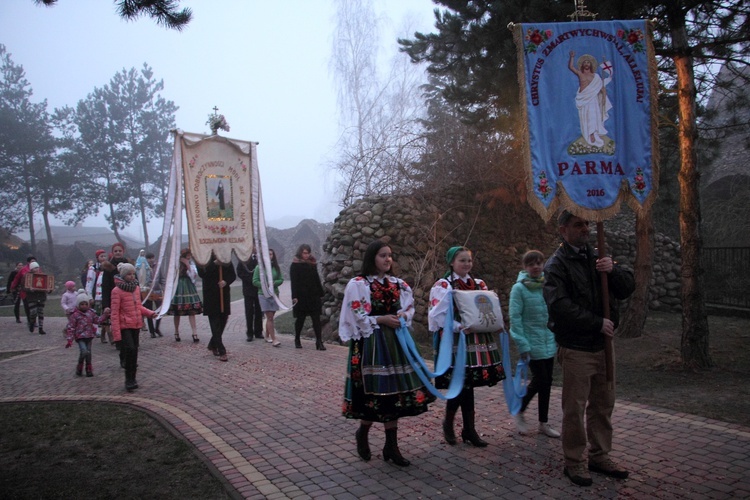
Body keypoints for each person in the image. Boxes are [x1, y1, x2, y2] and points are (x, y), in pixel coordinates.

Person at [544, 210, 635, 487]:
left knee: (603, 404)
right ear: (563, 230)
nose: (585, 229)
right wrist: (596, 323)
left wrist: (613, 270)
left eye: (586, 224)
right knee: (575, 407)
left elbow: (626, 287)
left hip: (603, 347)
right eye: (578, 224)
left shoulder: (597, 256)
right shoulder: (556, 265)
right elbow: (559, 306)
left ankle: (600, 455)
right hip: (577, 347)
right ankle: (574, 461)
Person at [339, 239, 436, 467]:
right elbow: (356, 315)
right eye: (383, 255)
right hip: (371, 344)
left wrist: (402, 316)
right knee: (373, 393)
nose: (388, 259)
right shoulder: (358, 284)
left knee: (395, 393)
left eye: (390, 255)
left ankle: (391, 446)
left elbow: (408, 308)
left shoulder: (398, 284)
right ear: (372, 257)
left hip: (395, 342)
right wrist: (381, 319)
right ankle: (363, 432)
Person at [427, 246, 504, 448]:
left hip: (475, 341)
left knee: (467, 384)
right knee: (460, 384)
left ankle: (464, 428)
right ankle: (457, 426)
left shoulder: (478, 283)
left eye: (469, 260)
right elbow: (438, 316)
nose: (466, 264)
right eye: (462, 260)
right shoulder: (443, 285)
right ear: (452, 262)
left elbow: (483, 309)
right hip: (454, 341)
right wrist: (458, 327)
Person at [509, 250, 560, 438]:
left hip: (548, 340)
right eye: (531, 264)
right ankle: (520, 410)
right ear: (525, 267)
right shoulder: (519, 289)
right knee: (541, 379)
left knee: (547, 383)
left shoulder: (547, 285)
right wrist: (522, 344)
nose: (536, 267)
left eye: (539, 263)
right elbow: (515, 318)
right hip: (531, 342)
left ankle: (543, 423)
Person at [111, 263, 157, 391]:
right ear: (123, 275)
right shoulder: (116, 291)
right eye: (128, 274)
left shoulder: (135, 289)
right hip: (124, 325)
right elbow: (114, 313)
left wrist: (150, 313)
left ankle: (132, 378)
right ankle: (128, 378)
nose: (131, 277)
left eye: (133, 274)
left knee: (134, 351)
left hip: (136, 324)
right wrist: (117, 335)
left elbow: (138, 306)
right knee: (130, 349)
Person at [568, 51, 612, 148]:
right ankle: (588, 133)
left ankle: (593, 133)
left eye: (588, 62)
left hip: (593, 99)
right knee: (585, 117)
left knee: (593, 116)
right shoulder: (580, 74)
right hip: (583, 98)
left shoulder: (596, 76)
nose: (587, 64)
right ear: (582, 65)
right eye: (585, 62)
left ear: (591, 65)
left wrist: (604, 96)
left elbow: (601, 88)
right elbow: (571, 67)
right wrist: (572, 57)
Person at [198, 254, 236, 362]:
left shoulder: (225, 257)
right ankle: (221, 350)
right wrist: (214, 264)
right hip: (211, 294)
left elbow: (232, 275)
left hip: (223, 294)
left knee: (223, 319)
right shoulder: (203, 258)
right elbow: (202, 273)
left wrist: (226, 281)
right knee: (215, 321)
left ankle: (213, 343)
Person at [65, 290, 110, 377]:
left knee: (88, 353)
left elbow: (98, 320)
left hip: (89, 336)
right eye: (82, 304)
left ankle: (88, 367)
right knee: (84, 351)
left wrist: (105, 315)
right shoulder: (75, 315)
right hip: (80, 336)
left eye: (86, 304)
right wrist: (70, 339)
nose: (84, 306)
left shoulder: (91, 313)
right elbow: (71, 327)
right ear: (78, 305)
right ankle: (80, 365)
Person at [290, 244, 325, 350]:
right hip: (301, 296)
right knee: (301, 319)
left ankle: (319, 341)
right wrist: (294, 296)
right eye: (305, 253)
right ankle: (297, 339)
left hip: (313, 295)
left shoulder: (312, 263)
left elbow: (316, 278)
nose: (307, 255)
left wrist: (320, 293)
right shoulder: (295, 265)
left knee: (316, 319)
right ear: (300, 252)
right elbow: (294, 282)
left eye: (308, 253)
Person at [168, 248, 203, 342]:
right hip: (179, 286)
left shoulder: (191, 264)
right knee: (177, 311)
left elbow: (193, 276)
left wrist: (188, 265)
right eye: (187, 255)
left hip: (188, 285)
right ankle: (176, 331)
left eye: (189, 255)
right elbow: (173, 275)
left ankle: (194, 332)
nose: (189, 257)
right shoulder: (176, 264)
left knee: (191, 310)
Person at [252, 249, 283, 347]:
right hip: (263, 294)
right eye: (267, 254)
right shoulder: (259, 268)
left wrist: (274, 283)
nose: (269, 256)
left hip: (274, 294)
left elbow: (281, 279)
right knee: (269, 317)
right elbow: (255, 281)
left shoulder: (276, 268)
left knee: (271, 316)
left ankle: (266, 336)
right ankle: (274, 339)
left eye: (271, 254)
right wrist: (264, 285)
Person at [236, 249, 263, 341]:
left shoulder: (261, 257)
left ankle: (258, 331)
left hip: (259, 289)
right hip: (248, 289)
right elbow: (239, 271)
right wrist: (250, 279)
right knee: (249, 311)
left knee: (259, 311)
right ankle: (250, 333)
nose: (255, 247)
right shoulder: (244, 258)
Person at [87, 250, 111, 344]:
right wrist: (89, 295)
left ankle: (106, 334)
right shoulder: (93, 269)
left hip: (107, 294)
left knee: (107, 315)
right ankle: (97, 331)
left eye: (105, 256)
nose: (103, 258)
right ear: (97, 258)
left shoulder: (109, 267)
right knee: (98, 314)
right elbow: (89, 283)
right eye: (101, 256)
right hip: (97, 295)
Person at [10, 255, 37, 326]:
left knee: (34, 306)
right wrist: (13, 287)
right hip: (25, 291)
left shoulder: (38, 269)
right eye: (32, 261)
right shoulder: (23, 270)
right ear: (28, 262)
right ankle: (29, 320)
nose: (33, 263)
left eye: (34, 261)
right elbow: (17, 278)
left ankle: (34, 320)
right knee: (27, 306)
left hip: (34, 291)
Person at [143, 252, 165, 338]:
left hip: (157, 291)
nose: (151, 260)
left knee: (160, 310)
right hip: (147, 292)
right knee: (149, 311)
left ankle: (157, 328)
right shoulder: (144, 267)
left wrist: (164, 288)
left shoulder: (158, 267)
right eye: (149, 258)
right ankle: (151, 331)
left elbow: (162, 278)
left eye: (152, 258)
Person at [24, 261, 49, 335]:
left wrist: (48, 290)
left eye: (37, 267)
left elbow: (48, 285)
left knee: (40, 312)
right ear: (31, 269)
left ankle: (41, 328)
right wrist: (29, 289)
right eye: (35, 268)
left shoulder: (43, 276)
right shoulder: (27, 276)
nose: (37, 269)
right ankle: (32, 322)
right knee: (33, 312)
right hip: (32, 297)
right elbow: (24, 287)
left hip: (41, 296)